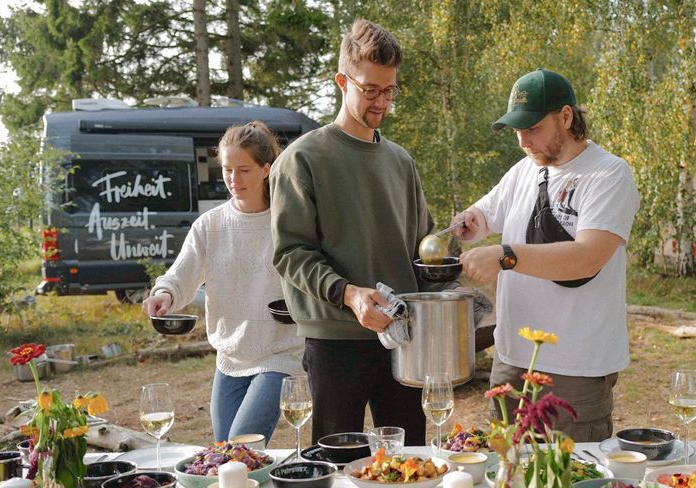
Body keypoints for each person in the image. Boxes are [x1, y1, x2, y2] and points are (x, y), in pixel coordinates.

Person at [453, 69, 640, 442]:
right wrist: (471, 220)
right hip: (511, 360)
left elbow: (587, 257)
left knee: (571, 485)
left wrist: (506, 256)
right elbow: (486, 213)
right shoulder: (525, 170)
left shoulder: (608, 174)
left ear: (566, 117)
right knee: (506, 482)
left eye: (533, 128)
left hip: (576, 368)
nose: (523, 140)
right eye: (517, 131)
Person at [270, 18, 432, 446]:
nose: (382, 101)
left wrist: (452, 281)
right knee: (336, 468)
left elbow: (421, 249)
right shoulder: (302, 159)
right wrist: (350, 294)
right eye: (371, 89)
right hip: (334, 340)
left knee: (409, 461)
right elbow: (291, 253)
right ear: (343, 81)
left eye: (390, 90)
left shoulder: (401, 162)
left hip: (402, 338)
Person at [142, 121, 303, 444]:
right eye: (228, 170)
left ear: (266, 169)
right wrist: (164, 293)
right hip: (230, 358)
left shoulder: (288, 222)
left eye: (243, 170)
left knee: (240, 447)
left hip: (280, 353)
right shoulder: (210, 226)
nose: (233, 179)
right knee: (224, 453)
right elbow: (180, 274)